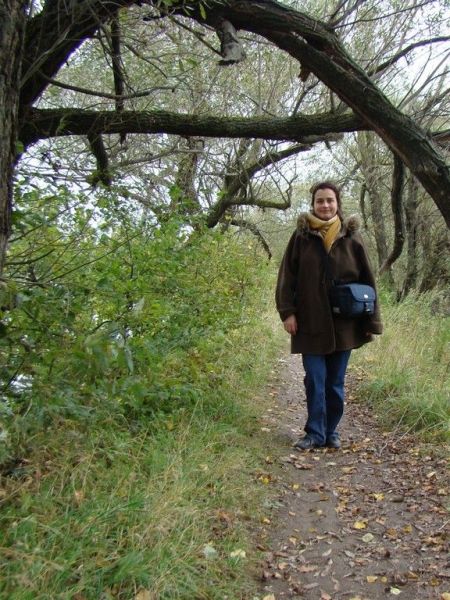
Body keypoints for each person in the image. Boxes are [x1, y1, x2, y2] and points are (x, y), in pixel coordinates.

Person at [275, 181, 382, 450]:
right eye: (320, 201)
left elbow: (368, 281)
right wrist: (288, 313)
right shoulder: (301, 237)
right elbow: (287, 277)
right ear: (313, 204)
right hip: (309, 321)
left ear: (337, 203)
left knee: (335, 383)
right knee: (315, 379)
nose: (325, 205)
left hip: (345, 323)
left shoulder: (351, 237)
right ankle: (315, 433)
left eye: (329, 200)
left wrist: (371, 321)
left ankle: (331, 431)